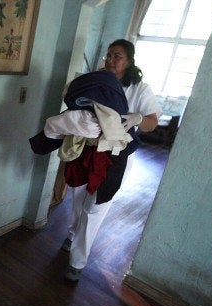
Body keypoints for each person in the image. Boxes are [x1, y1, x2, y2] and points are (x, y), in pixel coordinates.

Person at [58, 39, 162, 282]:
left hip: (116, 155)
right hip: (87, 149)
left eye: (118, 56)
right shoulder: (97, 80)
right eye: (109, 55)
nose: (111, 60)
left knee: (96, 206)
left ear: (129, 61)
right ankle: (73, 233)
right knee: (78, 197)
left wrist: (138, 118)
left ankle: (77, 262)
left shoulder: (139, 89)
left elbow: (152, 122)